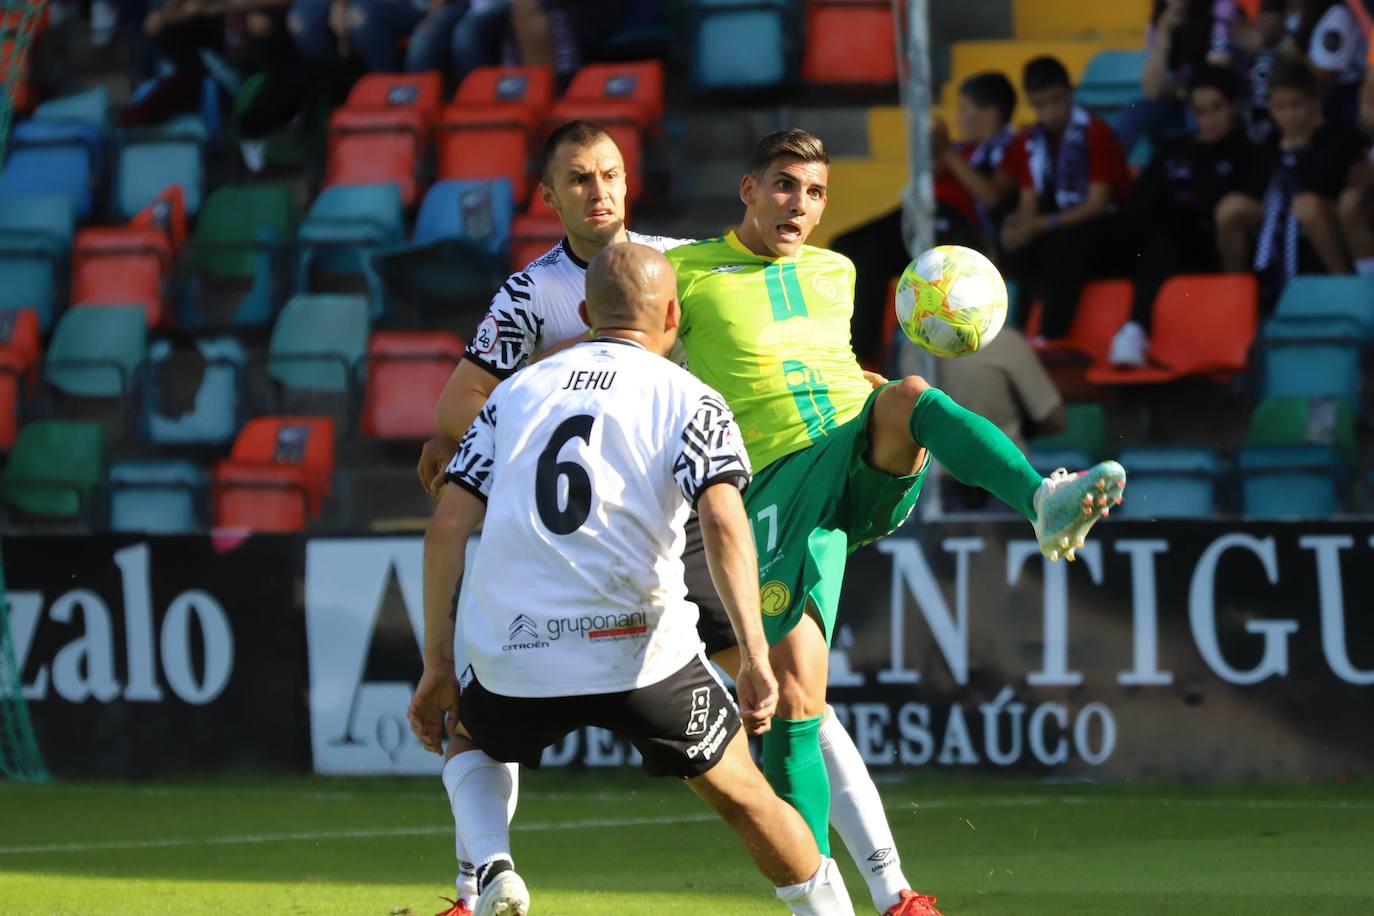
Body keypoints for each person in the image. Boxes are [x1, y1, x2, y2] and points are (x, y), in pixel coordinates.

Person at [417, 121, 933, 916]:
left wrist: (838, 381)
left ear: (630, 183)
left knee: (796, 695)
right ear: (549, 196)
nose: (601, 192)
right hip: (628, 531)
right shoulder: (532, 292)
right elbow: (457, 405)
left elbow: (766, 333)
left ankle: (892, 889)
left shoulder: (684, 265)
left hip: (680, 516)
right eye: (581, 180)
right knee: (747, 741)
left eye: (612, 176)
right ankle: (471, 889)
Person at [665, 128, 1127, 916]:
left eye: (813, 193)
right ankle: (820, 901)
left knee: (910, 395)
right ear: (747, 189)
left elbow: (828, 363)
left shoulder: (836, 271)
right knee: (797, 701)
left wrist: (862, 388)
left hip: (848, 448)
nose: (799, 207)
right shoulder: (686, 274)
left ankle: (1041, 500)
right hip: (772, 486)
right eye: (783, 186)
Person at [828, 72, 1018, 371]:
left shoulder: (1010, 147)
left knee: (873, 254)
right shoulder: (961, 149)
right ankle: (847, 346)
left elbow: (993, 197)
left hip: (960, 228)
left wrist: (947, 153)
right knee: (846, 245)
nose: (960, 118)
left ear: (991, 111)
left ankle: (864, 357)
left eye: (965, 109)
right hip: (925, 214)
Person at [1109, 65, 1267, 365]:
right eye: (1200, 111)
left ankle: (1135, 328)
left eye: (1216, 109)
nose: (1208, 120)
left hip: (1201, 248)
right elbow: (1141, 197)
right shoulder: (1173, 150)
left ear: (1233, 107)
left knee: (1171, 230)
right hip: (1155, 238)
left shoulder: (1248, 153)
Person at [998, 56, 1134, 341]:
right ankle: (1012, 333)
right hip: (1057, 227)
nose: (1050, 112)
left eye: (1055, 100)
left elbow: (1097, 204)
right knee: (1015, 247)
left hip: (1106, 229)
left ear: (1070, 93)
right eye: (1039, 104)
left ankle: (1051, 335)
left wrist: (1040, 225)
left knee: (1069, 242)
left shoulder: (1096, 133)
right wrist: (1019, 227)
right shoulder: (1029, 141)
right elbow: (1028, 203)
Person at [1228, 57, 1364, 297]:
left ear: (1314, 103)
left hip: (1327, 222)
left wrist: (1302, 151)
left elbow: (1333, 187)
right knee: (1232, 207)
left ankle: (1343, 287)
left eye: (1296, 105)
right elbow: (1256, 189)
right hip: (1275, 222)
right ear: (1271, 109)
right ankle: (1237, 295)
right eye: (1281, 107)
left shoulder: (1339, 137)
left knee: (1307, 206)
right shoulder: (1270, 142)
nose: (1289, 115)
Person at [937, 327, 1066, 512]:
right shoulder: (1004, 340)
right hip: (1006, 483)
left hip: (934, 489)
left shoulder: (911, 348)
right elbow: (1054, 419)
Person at [1118, 0, 1241, 156]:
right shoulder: (1160, 20)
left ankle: (1198, 174)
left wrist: (1181, 91)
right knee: (1134, 111)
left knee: (1197, 113)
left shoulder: (1221, 7)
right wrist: (1163, 38)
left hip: (1224, 101)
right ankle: (1107, 175)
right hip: (1183, 100)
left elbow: (1216, 75)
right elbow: (1151, 90)